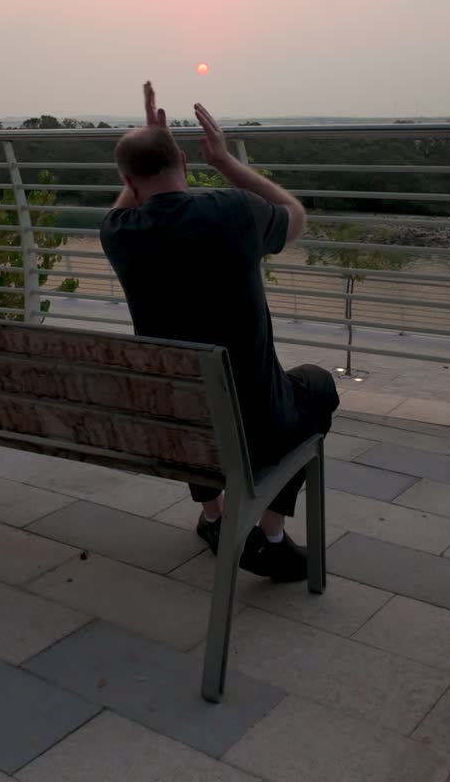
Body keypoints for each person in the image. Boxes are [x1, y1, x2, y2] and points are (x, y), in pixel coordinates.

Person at [100, 82, 339, 582]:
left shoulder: (119, 234)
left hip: (178, 423)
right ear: (184, 161)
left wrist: (147, 143)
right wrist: (226, 162)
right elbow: (296, 218)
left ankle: (215, 518)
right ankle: (268, 537)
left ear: (127, 179)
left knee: (187, 391)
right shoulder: (233, 211)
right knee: (317, 385)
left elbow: (124, 205)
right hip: (256, 421)